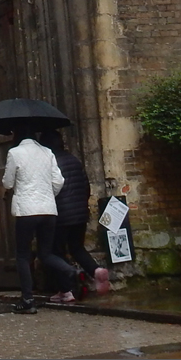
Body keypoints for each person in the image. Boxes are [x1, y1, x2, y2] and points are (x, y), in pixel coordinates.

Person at [2, 124, 78, 314]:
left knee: (22, 255)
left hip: (26, 211)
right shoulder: (47, 152)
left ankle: (28, 299)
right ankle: (68, 269)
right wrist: (47, 195)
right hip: (48, 211)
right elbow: (58, 181)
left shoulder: (15, 153)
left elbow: (8, 182)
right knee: (46, 253)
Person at [41, 129, 110, 301]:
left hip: (60, 214)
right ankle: (95, 270)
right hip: (80, 213)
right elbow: (86, 185)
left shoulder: (48, 161)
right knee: (77, 248)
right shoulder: (74, 159)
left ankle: (66, 290)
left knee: (55, 252)